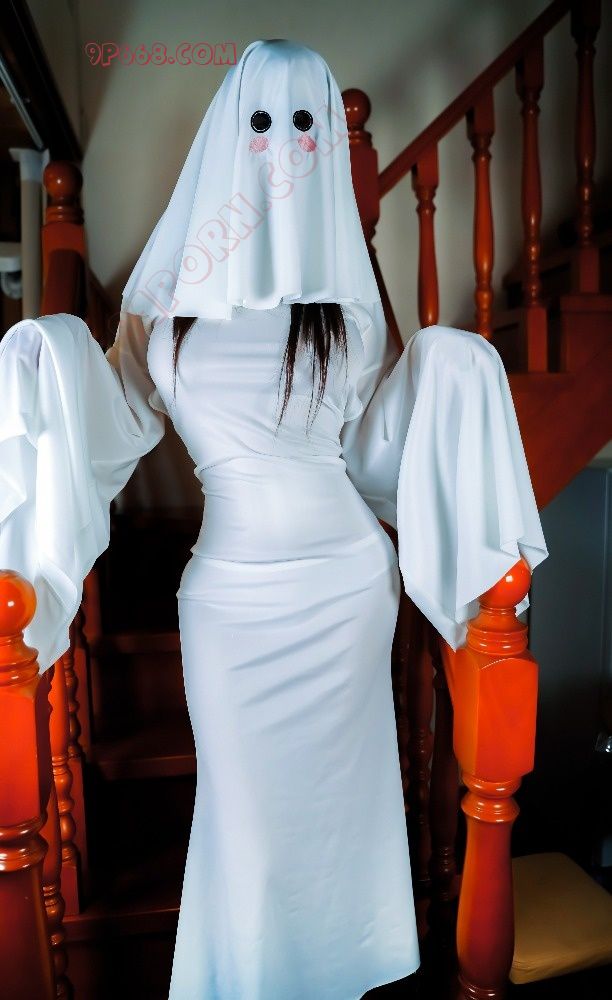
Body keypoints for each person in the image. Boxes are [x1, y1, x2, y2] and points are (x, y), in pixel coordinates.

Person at [0, 39, 548, 1000]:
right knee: (245, 826)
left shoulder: (350, 306)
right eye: (261, 121)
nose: (282, 144)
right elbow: (121, 414)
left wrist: (444, 368)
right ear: (227, 133)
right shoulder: (166, 299)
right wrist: (50, 354)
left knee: (342, 820)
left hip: (345, 590)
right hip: (231, 604)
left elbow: (372, 449)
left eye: (305, 124)